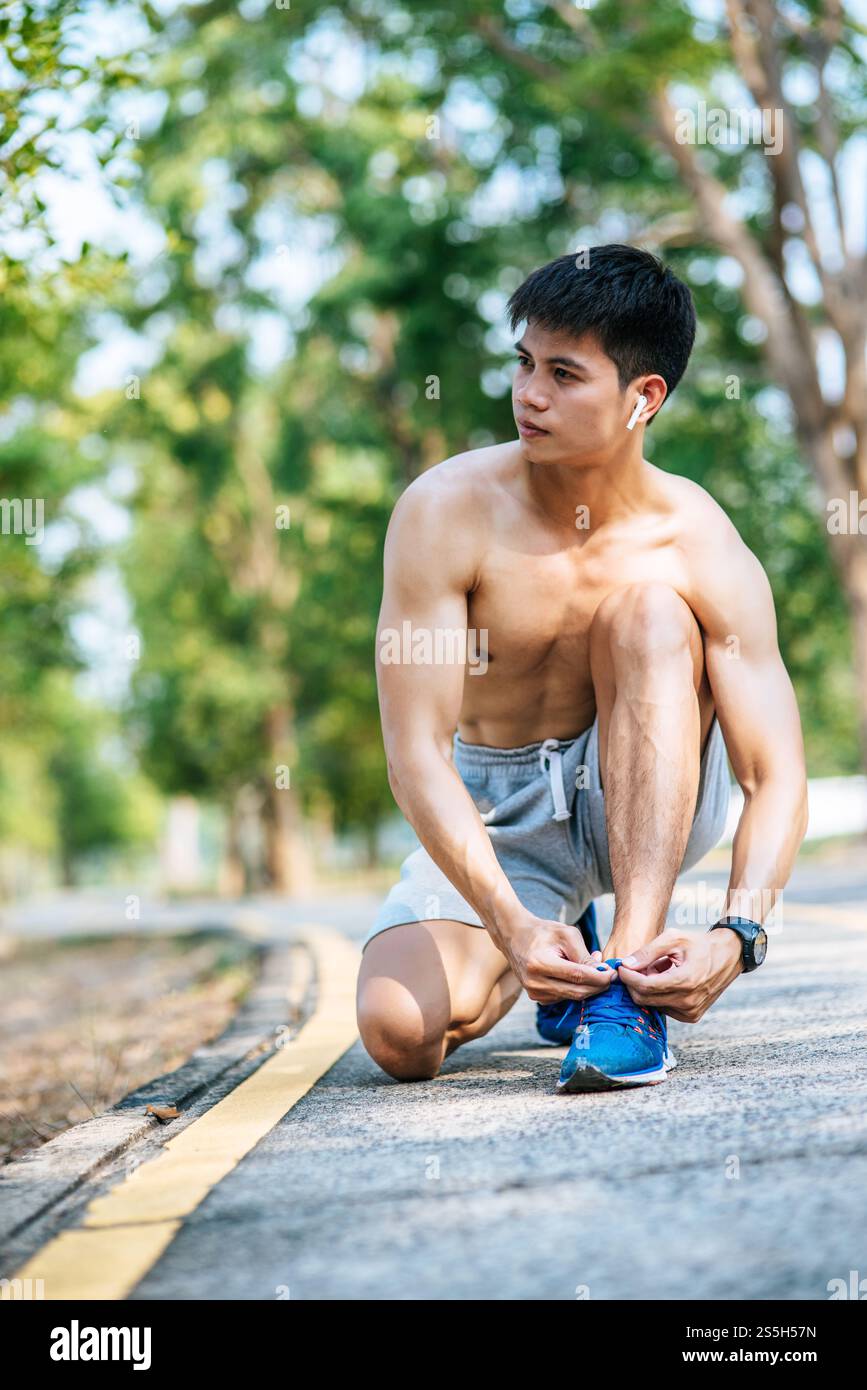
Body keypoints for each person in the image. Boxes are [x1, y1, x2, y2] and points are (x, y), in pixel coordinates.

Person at [356, 244, 808, 1091]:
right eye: (523, 363)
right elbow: (413, 750)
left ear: (643, 398)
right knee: (398, 1033)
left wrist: (738, 934)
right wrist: (510, 924)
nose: (528, 394)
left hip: (652, 785)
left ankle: (625, 986)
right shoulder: (442, 512)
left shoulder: (696, 539)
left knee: (644, 610)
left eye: (564, 374)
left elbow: (774, 773)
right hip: (506, 809)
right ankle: (566, 949)